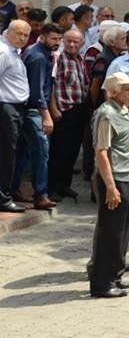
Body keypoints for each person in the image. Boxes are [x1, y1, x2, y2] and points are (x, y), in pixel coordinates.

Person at [88, 72, 129, 298]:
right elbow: (101, 151)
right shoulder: (106, 114)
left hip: (128, 176)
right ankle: (102, 281)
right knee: (110, 231)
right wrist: (110, 186)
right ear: (113, 91)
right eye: (127, 89)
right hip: (115, 178)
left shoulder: (126, 111)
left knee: (123, 230)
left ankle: (115, 274)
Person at [14, 22, 62, 209]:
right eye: (53, 38)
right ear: (42, 37)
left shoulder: (42, 53)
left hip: (30, 110)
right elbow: (37, 91)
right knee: (42, 152)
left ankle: (14, 187)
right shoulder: (38, 57)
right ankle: (41, 194)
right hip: (34, 111)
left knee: (23, 152)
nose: (57, 42)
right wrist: (46, 116)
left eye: (59, 39)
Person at [48, 27, 90, 201]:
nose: (72, 44)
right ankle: (53, 188)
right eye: (69, 41)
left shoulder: (80, 59)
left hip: (78, 111)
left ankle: (65, 185)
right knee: (59, 152)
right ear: (64, 41)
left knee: (72, 151)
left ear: (81, 43)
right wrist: (53, 108)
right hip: (63, 111)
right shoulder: (58, 58)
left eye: (76, 41)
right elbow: (50, 84)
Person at [0, 20, 30, 212]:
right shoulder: (3, 52)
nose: (23, 39)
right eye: (19, 34)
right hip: (6, 107)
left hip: (15, 107)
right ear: (8, 32)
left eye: (26, 35)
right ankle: (3, 198)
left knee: (11, 152)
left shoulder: (13, 51)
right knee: (6, 154)